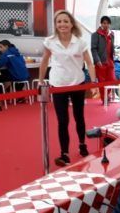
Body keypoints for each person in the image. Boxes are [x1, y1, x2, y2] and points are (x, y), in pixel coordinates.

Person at [38, 10, 98, 167]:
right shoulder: (50, 42)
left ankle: (82, 143)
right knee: (62, 120)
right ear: (56, 25)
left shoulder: (80, 42)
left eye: (66, 21)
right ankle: (64, 154)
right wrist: (40, 81)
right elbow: (44, 62)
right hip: (58, 85)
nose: (62, 24)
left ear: (72, 24)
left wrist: (93, 82)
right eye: (59, 22)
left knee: (79, 116)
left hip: (77, 82)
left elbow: (90, 63)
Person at [91, 15, 115, 104]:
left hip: (110, 61)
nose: (106, 25)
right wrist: (97, 61)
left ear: (109, 24)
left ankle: (106, 95)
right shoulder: (95, 35)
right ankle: (104, 99)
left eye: (107, 23)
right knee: (102, 82)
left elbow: (112, 46)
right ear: (101, 24)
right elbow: (93, 49)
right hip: (100, 62)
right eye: (104, 23)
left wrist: (114, 54)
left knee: (112, 80)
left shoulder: (112, 34)